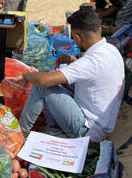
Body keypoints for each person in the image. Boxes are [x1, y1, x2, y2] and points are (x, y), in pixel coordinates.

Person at [13, 9, 124, 142]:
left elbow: (44, 81)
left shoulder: (90, 62)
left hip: (88, 131)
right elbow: (94, 73)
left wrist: (26, 74)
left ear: (77, 37)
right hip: (104, 122)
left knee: (41, 87)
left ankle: (19, 135)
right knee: (57, 83)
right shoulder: (111, 50)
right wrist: (74, 61)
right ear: (99, 29)